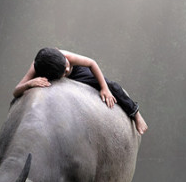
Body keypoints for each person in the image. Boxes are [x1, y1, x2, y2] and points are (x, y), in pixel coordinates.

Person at [13, 47, 148, 134]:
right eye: (64, 72)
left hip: (78, 72)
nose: (67, 69)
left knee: (112, 85)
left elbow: (92, 63)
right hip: (56, 78)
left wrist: (104, 88)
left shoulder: (66, 57)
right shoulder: (37, 67)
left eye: (66, 65)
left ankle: (135, 112)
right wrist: (29, 83)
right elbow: (16, 91)